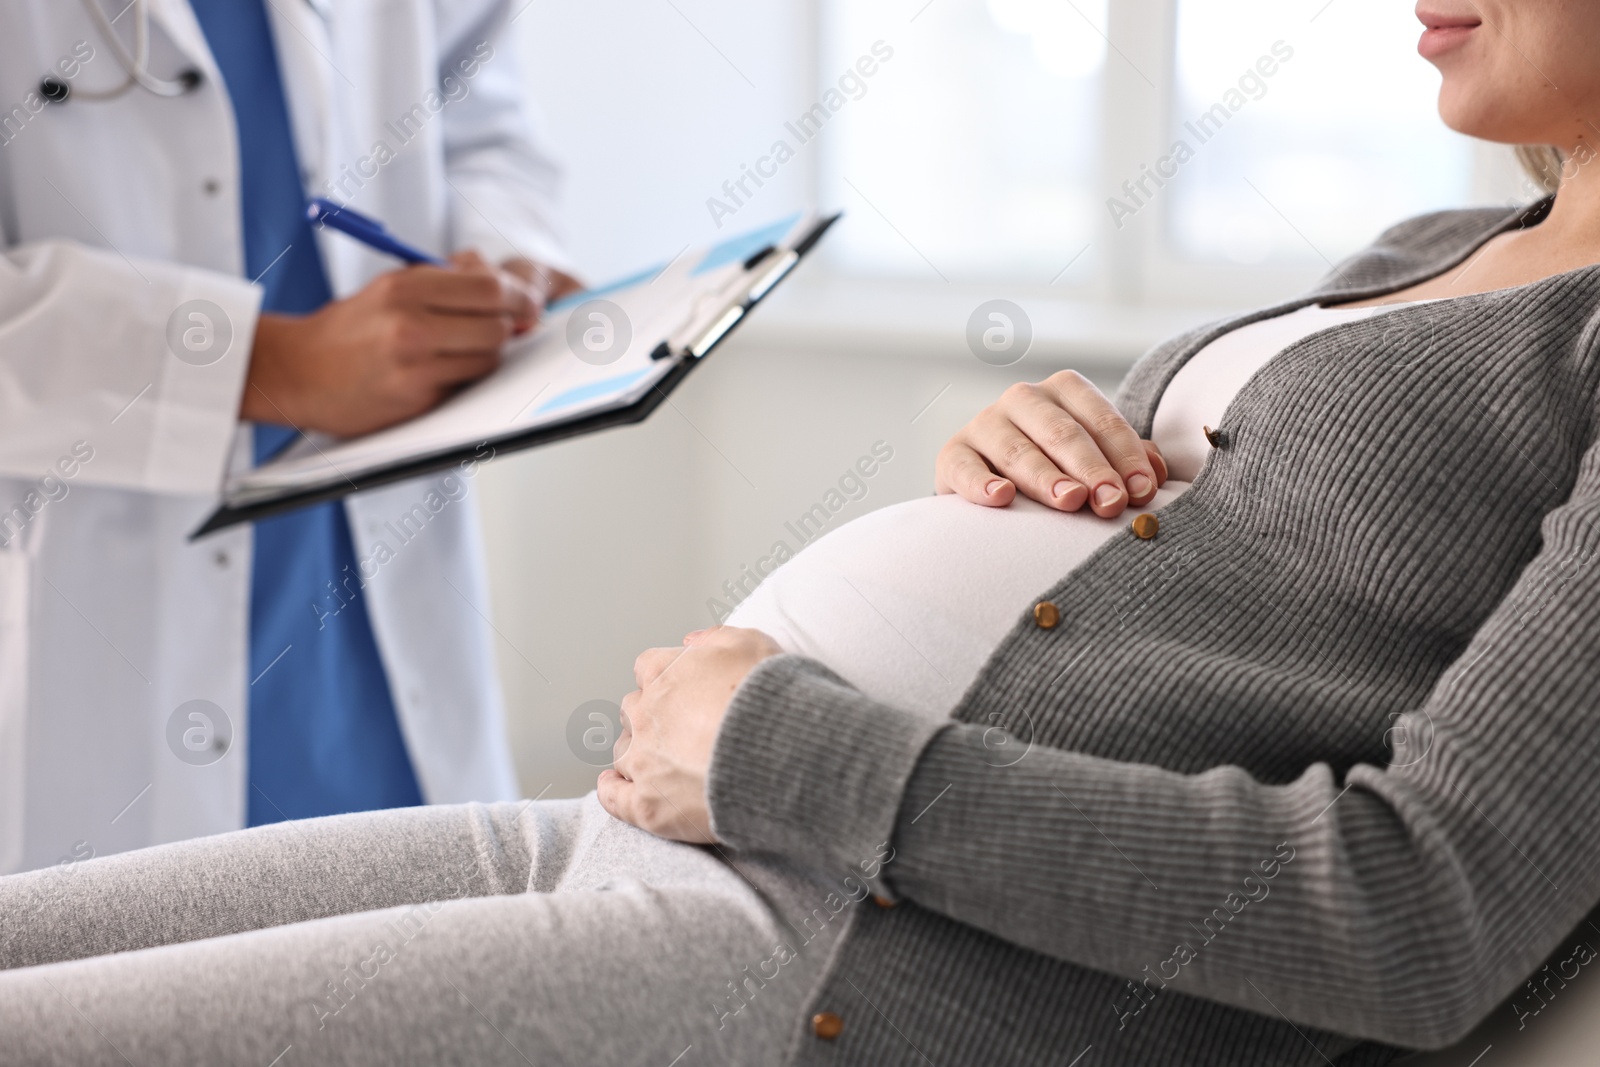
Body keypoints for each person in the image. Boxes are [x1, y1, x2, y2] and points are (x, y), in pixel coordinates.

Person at [2, 1, 1599, 1065]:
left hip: (822, 945)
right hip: (653, 834)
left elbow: (1418, 909)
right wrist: (1036, 451)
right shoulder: (1446, 242)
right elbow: (1193, 582)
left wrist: (777, 745)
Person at [0, 0, 577, 874]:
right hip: (90, 608)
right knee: (133, 977)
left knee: (425, 960)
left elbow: (480, 115)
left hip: (365, 604)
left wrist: (503, 256)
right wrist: (267, 364)